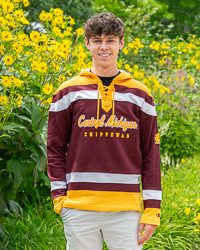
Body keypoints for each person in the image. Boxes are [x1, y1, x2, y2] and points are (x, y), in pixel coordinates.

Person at [47, 12, 162, 250]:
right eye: (97, 40)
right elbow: (55, 148)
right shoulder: (68, 92)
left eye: (110, 39)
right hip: (78, 207)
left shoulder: (140, 95)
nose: (104, 47)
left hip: (126, 210)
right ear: (87, 43)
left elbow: (151, 154)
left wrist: (152, 209)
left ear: (121, 43)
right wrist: (60, 197)